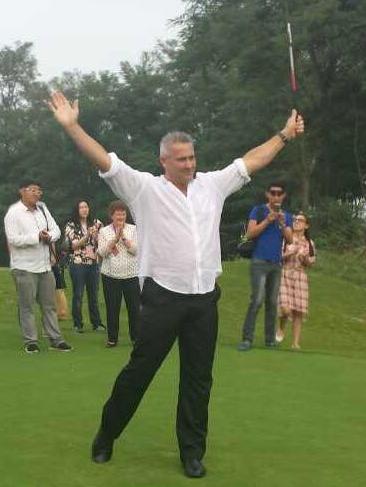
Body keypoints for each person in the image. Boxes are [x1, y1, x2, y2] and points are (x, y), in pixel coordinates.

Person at [48, 91, 304, 478]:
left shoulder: (213, 186)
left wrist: (284, 135)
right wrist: (71, 126)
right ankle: (107, 434)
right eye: (181, 159)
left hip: (204, 301)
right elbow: (104, 159)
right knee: (139, 372)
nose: (189, 164)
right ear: (163, 160)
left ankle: (191, 453)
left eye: (192, 157)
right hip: (162, 298)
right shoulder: (144, 188)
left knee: (199, 380)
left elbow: (252, 159)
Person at [4, 180, 72, 353]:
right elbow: (13, 239)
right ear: (22, 191)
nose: (37, 193)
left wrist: (48, 235)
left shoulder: (42, 208)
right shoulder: (14, 213)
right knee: (27, 306)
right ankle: (30, 341)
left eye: (39, 190)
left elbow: (56, 229)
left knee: (49, 305)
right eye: (32, 190)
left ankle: (55, 340)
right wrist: (36, 237)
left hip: (45, 266)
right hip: (24, 267)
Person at [238, 182, 293, 351]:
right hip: (259, 262)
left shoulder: (287, 215)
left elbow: (290, 239)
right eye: (273, 193)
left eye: (279, 193)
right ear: (267, 194)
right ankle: (247, 339)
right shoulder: (259, 210)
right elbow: (249, 234)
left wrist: (282, 223)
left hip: (276, 264)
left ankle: (269, 340)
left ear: (283, 196)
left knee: (271, 302)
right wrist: (267, 221)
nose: (276, 196)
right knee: (257, 299)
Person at [98, 200, 140, 347]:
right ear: (111, 215)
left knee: (134, 308)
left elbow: (136, 250)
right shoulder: (104, 231)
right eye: (118, 214)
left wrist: (123, 238)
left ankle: (135, 337)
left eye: (123, 214)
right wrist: (114, 239)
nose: (120, 217)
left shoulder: (133, 229)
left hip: (132, 275)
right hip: (111, 276)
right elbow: (102, 253)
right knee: (112, 308)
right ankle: (112, 339)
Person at [276, 212, 316, 349]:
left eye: (300, 220)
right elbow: (278, 257)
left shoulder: (309, 243)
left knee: (298, 312)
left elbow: (311, 263)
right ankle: (281, 327)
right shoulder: (287, 238)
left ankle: (295, 343)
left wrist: (304, 258)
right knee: (286, 310)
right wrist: (290, 253)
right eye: (295, 220)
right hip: (285, 274)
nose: (296, 222)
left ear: (306, 225)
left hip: (300, 277)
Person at [65, 200, 105, 333]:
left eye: (86, 206)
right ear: (76, 210)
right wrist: (87, 235)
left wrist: (96, 237)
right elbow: (74, 245)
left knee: (93, 295)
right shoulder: (71, 225)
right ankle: (78, 324)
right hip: (77, 263)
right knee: (78, 294)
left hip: (93, 264)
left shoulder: (97, 223)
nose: (84, 209)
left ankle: (96, 323)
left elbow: (103, 243)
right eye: (81, 207)